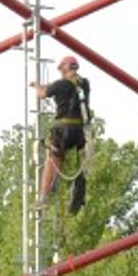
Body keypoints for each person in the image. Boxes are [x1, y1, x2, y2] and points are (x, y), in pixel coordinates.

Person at [34, 54, 91, 206]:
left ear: (65, 68)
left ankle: (43, 196)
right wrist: (49, 85)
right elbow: (66, 87)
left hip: (63, 131)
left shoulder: (60, 85)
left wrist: (37, 86)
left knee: (53, 157)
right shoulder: (84, 84)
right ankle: (55, 185)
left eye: (61, 69)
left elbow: (42, 94)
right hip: (79, 134)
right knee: (60, 156)